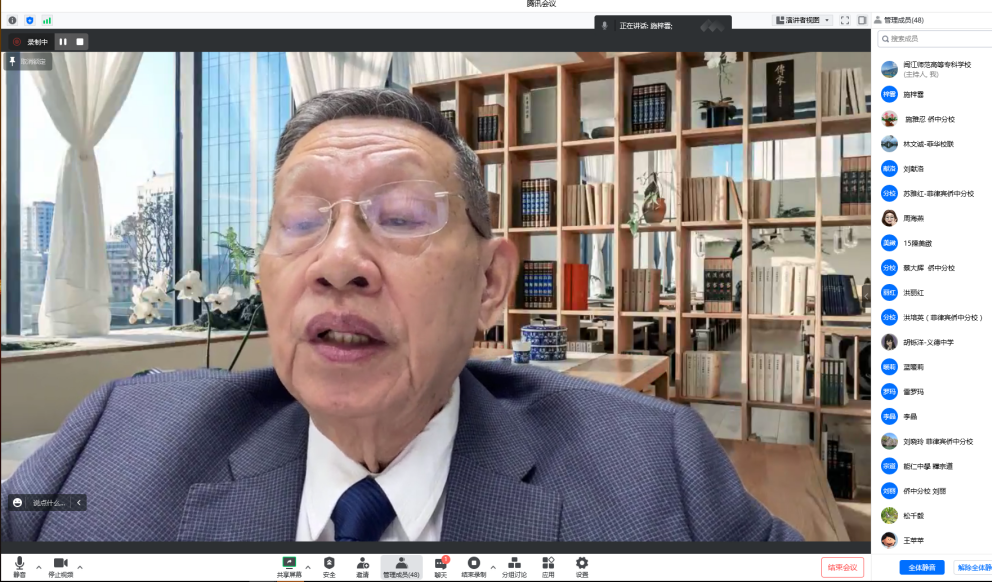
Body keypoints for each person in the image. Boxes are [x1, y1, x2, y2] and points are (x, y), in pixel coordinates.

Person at [0, 88, 801, 543]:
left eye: (403, 216)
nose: (339, 259)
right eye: (302, 219)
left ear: (490, 282)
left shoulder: (656, 477)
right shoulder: (115, 443)